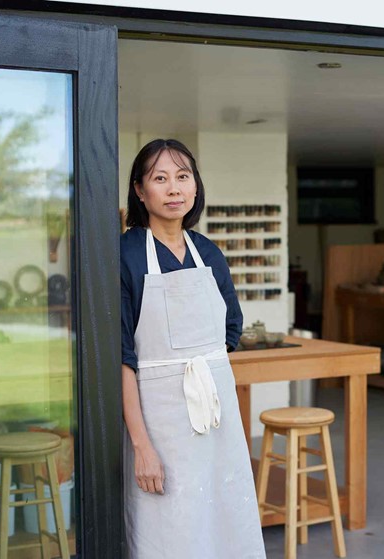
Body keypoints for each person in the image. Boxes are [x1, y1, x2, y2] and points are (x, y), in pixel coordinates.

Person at [120, 139, 266, 558]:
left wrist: (200, 370)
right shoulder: (125, 255)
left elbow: (230, 329)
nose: (173, 189)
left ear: (196, 187)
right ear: (139, 190)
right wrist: (142, 446)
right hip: (159, 424)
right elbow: (121, 360)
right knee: (169, 530)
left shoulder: (209, 253)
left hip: (216, 422)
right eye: (160, 178)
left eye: (182, 177)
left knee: (224, 522)